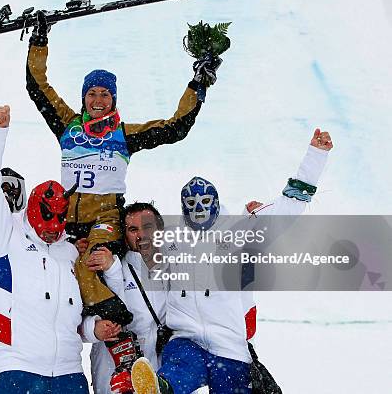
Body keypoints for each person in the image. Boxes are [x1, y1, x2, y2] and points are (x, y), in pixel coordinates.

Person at [25, 11, 223, 326]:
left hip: (104, 221)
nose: (98, 99)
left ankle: (121, 324)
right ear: (84, 98)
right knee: (57, 279)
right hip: (65, 221)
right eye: (92, 93)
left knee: (90, 263)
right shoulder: (68, 125)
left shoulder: (124, 134)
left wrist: (199, 83)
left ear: (114, 100)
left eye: (105, 94)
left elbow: (175, 127)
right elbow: (38, 86)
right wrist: (39, 40)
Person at [130, 128, 334, 394]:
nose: (199, 208)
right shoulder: (170, 239)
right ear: (183, 207)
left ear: (216, 202)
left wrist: (315, 157)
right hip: (186, 338)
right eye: (191, 203)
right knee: (178, 371)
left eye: (205, 201)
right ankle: (161, 388)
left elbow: (286, 210)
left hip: (229, 346)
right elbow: (135, 249)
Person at [0, 105, 122, 393]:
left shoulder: (68, 251)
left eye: (60, 216)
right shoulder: (4, 236)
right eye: (47, 215)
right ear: (31, 207)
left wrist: (93, 329)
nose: (54, 225)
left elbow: (70, 319)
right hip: (20, 370)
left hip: (69, 373)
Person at [88, 202, 170, 394]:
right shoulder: (113, 268)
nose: (141, 235)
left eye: (148, 227)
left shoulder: (174, 267)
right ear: (124, 235)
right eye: (133, 229)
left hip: (160, 369)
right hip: (116, 372)